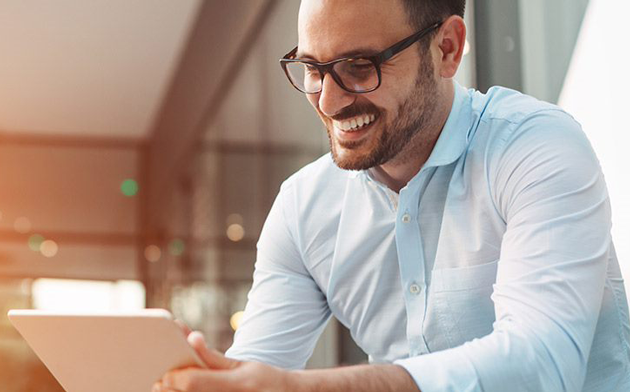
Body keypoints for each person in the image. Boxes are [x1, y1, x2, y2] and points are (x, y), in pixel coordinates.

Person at [153, 0, 630, 391]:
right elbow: (256, 371)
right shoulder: (304, 209)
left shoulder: (535, 148)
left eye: (358, 67)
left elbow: (542, 363)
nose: (328, 101)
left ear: (447, 48)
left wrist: (299, 389)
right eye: (313, 70)